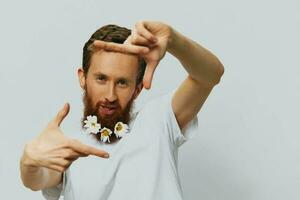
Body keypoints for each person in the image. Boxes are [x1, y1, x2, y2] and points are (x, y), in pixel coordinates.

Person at [19, 20, 224, 200]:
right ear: (83, 77)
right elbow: (38, 180)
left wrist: (173, 40)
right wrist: (29, 163)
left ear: (137, 89)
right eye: (101, 78)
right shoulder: (70, 147)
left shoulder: (159, 120)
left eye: (122, 83)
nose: (110, 95)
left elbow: (210, 75)